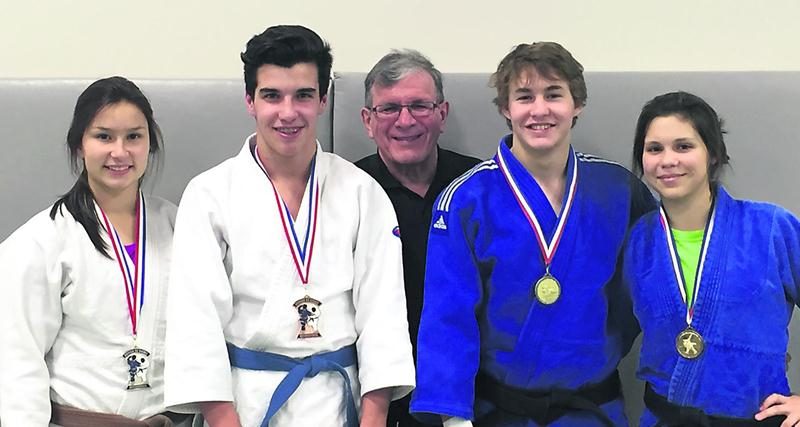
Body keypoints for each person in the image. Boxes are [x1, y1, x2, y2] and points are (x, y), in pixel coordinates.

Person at [163, 25, 415, 427]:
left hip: (339, 402)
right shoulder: (209, 194)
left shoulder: (361, 192)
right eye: (271, 95)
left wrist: (374, 416)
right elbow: (196, 324)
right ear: (250, 100)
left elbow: (383, 315)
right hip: (246, 404)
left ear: (323, 100)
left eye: (303, 95)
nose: (287, 112)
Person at [410, 42, 656, 426]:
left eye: (554, 95)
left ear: (577, 104)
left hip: (593, 408)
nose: (539, 110)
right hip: (502, 412)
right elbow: (447, 316)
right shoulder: (466, 199)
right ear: (506, 109)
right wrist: (453, 419)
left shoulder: (619, 190)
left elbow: (653, 291)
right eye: (524, 97)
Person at [0, 77, 180, 426]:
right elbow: (15, 360)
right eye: (103, 136)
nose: (119, 151)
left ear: (150, 145)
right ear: (79, 144)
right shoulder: (40, 242)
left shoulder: (179, 228)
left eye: (133, 136)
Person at [624, 91, 800, 427]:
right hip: (665, 419)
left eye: (684, 146)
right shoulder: (637, 242)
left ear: (713, 155)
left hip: (756, 419)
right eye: (654, 149)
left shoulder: (771, 228)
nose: (667, 160)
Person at [356, 49, 480, 427]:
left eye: (420, 106)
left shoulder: (480, 186)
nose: (405, 120)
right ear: (367, 120)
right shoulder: (346, 193)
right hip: (377, 393)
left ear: (442, 114)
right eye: (389, 108)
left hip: (474, 389)